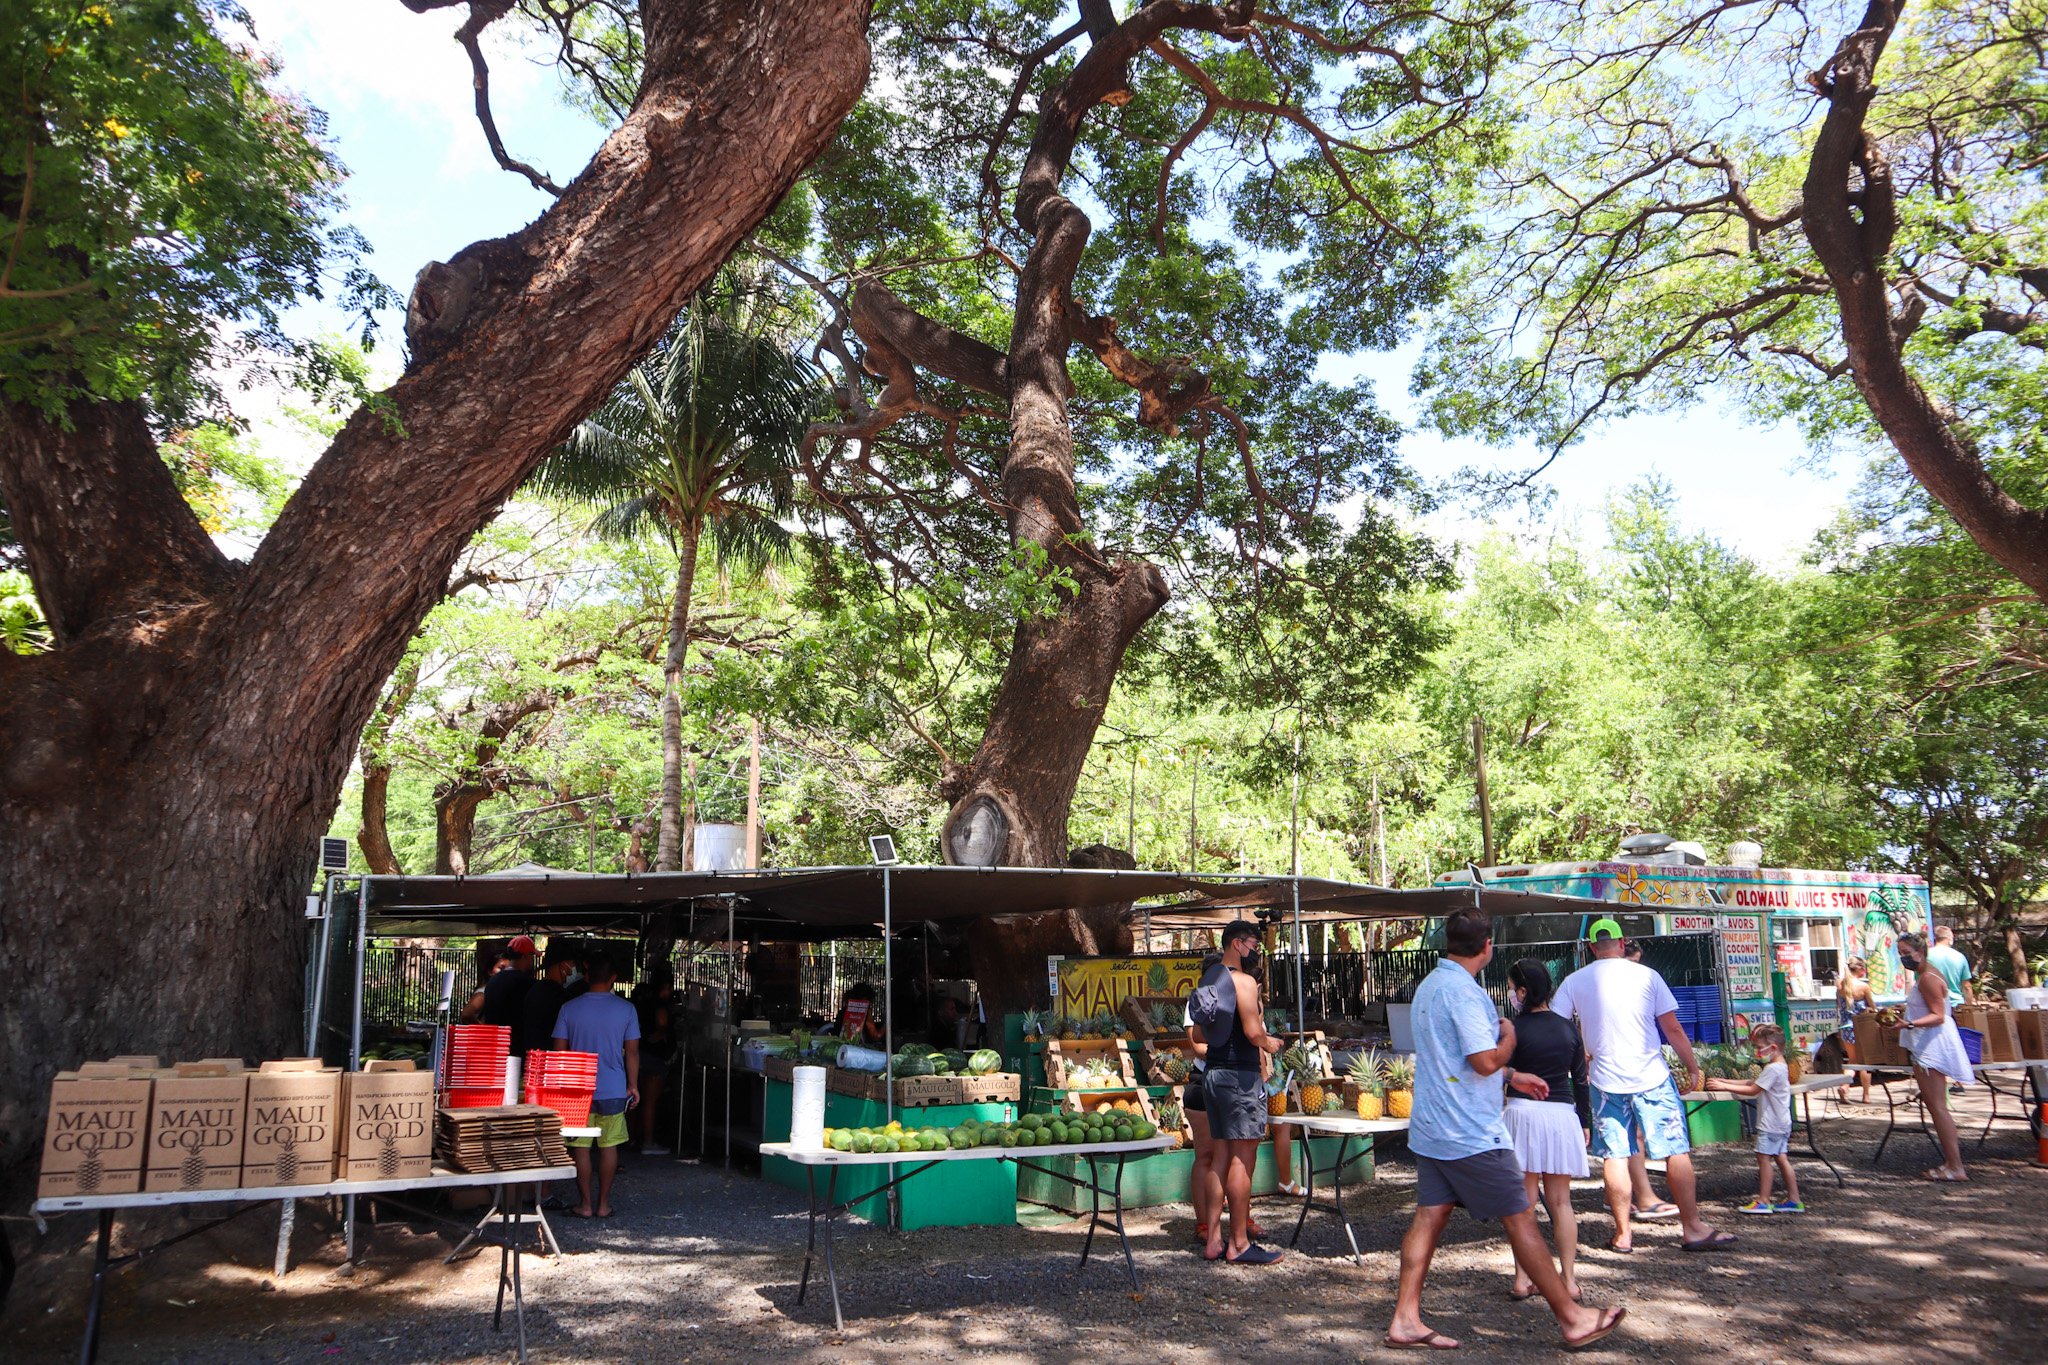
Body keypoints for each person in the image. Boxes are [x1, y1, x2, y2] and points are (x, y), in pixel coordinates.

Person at [1386, 909, 1626, 1352]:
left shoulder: (1429, 987)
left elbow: (1457, 1060)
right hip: (1470, 1131)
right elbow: (1482, 1061)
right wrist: (1508, 1043)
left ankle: (1405, 1319)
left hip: (1434, 1127)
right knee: (1521, 1217)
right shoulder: (1466, 993)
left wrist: (1512, 1075)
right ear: (1487, 947)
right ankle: (1573, 1318)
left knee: (1429, 1216)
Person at [1552, 918, 1733, 1253]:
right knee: (1674, 1149)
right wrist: (1693, 1067)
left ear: (1592, 947)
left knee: (1615, 1155)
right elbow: (1673, 1028)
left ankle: (1623, 1234)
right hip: (1651, 1077)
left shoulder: (1574, 981)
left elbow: (1557, 1026)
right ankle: (1692, 1228)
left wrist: (1582, 1055)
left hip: (1605, 1081)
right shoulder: (1648, 976)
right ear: (1622, 943)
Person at [1191, 920, 1286, 1264]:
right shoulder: (1244, 982)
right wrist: (1269, 1042)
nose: (1256, 951)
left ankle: (1214, 1239)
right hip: (1240, 1077)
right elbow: (1252, 1033)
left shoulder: (1210, 980)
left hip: (1212, 1076)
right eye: (1254, 944)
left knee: (1218, 1157)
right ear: (1237, 943)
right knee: (1242, 1160)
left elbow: (1200, 1036)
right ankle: (1239, 1243)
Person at [1502, 958, 1591, 1304]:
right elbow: (1581, 1080)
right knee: (1561, 1202)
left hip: (1522, 1114)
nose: (1510, 994)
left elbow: (1499, 1071)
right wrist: (1584, 1122)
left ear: (1523, 992)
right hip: (1561, 1115)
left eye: (1511, 988)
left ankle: (1523, 1278)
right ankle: (1568, 1280)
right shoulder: (1569, 1028)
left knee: (1523, 1203)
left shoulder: (1512, 1029)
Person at [553, 955, 641, 1218]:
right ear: (613, 978)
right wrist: (633, 1085)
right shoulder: (627, 1010)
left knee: (580, 1147)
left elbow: (559, 1053)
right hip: (614, 1087)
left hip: (578, 1090)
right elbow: (633, 1052)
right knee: (608, 1146)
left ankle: (585, 1205)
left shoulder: (569, 1008)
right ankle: (603, 1205)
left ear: (587, 976)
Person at [1896, 933, 1972, 1182]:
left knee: (1938, 1107)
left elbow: (1939, 1015)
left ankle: (1955, 1166)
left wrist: (1908, 1024)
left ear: (1920, 951)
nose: (1903, 957)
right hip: (1927, 1043)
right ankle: (1951, 1163)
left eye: (1906, 952)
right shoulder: (1927, 973)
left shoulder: (1928, 977)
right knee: (1935, 1106)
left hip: (1932, 1044)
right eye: (1900, 953)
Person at [1705, 1024, 1804, 1214]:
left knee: (1763, 1158)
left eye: (1760, 1048)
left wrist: (1726, 1087)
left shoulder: (1773, 1069)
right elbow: (1752, 1082)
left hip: (1771, 1124)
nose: (1757, 1052)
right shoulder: (1779, 1067)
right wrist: (1724, 1081)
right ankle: (1794, 1199)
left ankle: (1764, 1201)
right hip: (1781, 1122)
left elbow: (1753, 1090)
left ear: (1773, 1048)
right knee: (1781, 1158)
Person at [631, 969, 674, 1155]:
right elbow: (662, 1024)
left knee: (637, 1100)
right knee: (650, 1101)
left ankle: (633, 1138)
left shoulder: (643, 1003)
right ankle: (648, 1142)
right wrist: (663, 1034)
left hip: (642, 1055)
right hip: (655, 1057)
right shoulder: (660, 1005)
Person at [519, 948, 581, 1057]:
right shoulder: (560, 995)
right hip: (549, 1060)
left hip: (532, 1057)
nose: (572, 970)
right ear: (563, 966)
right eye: (572, 965)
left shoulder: (534, 990)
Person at [479, 936, 539, 1044]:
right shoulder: (528, 984)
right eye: (532, 955)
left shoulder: (492, 982)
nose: (532, 959)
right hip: (517, 1045)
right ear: (525, 955)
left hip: (495, 1044)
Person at [1835, 959, 1874, 1104]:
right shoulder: (1863, 986)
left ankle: (1844, 1086)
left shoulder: (1840, 985)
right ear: (1860, 970)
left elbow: (1838, 1004)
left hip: (1845, 1026)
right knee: (1865, 1062)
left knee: (1852, 1060)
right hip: (1861, 1028)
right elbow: (1872, 1006)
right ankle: (1866, 1096)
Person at [1928, 926, 1977, 1008]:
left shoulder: (1926, 956)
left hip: (1931, 1006)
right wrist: (1969, 1006)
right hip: (1955, 1005)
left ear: (1936, 938)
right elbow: (1966, 986)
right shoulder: (1960, 957)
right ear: (1950, 938)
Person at [460, 953, 517, 1023]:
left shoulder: (500, 992)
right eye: (501, 968)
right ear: (490, 971)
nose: (505, 972)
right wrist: (484, 1030)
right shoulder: (483, 993)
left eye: (508, 970)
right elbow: (466, 1014)